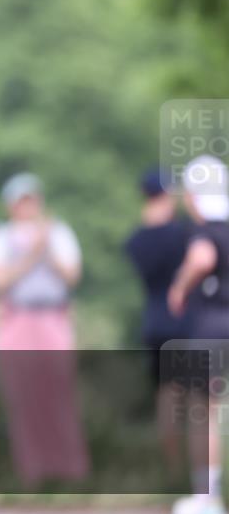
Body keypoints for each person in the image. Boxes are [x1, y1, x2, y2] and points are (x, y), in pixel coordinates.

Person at [0, 172, 89, 486]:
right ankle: (32, 470)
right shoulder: (0, 236)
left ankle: (70, 469)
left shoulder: (59, 233)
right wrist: (31, 254)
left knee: (59, 392)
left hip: (53, 317)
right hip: (17, 319)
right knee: (22, 394)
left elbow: (71, 276)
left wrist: (47, 248)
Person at [168, 155, 229, 514]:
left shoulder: (205, 232)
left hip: (212, 327)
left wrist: (179, 287)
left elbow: (202, 259)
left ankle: (207, 496)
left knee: (203, 410)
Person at [125, 168, 192, 475]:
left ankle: (173, 469)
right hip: (186, 320)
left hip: (155, 323)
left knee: (166, 395)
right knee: (196, 398)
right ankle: (200, 471)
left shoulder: (136, 240)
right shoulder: (184, 234)